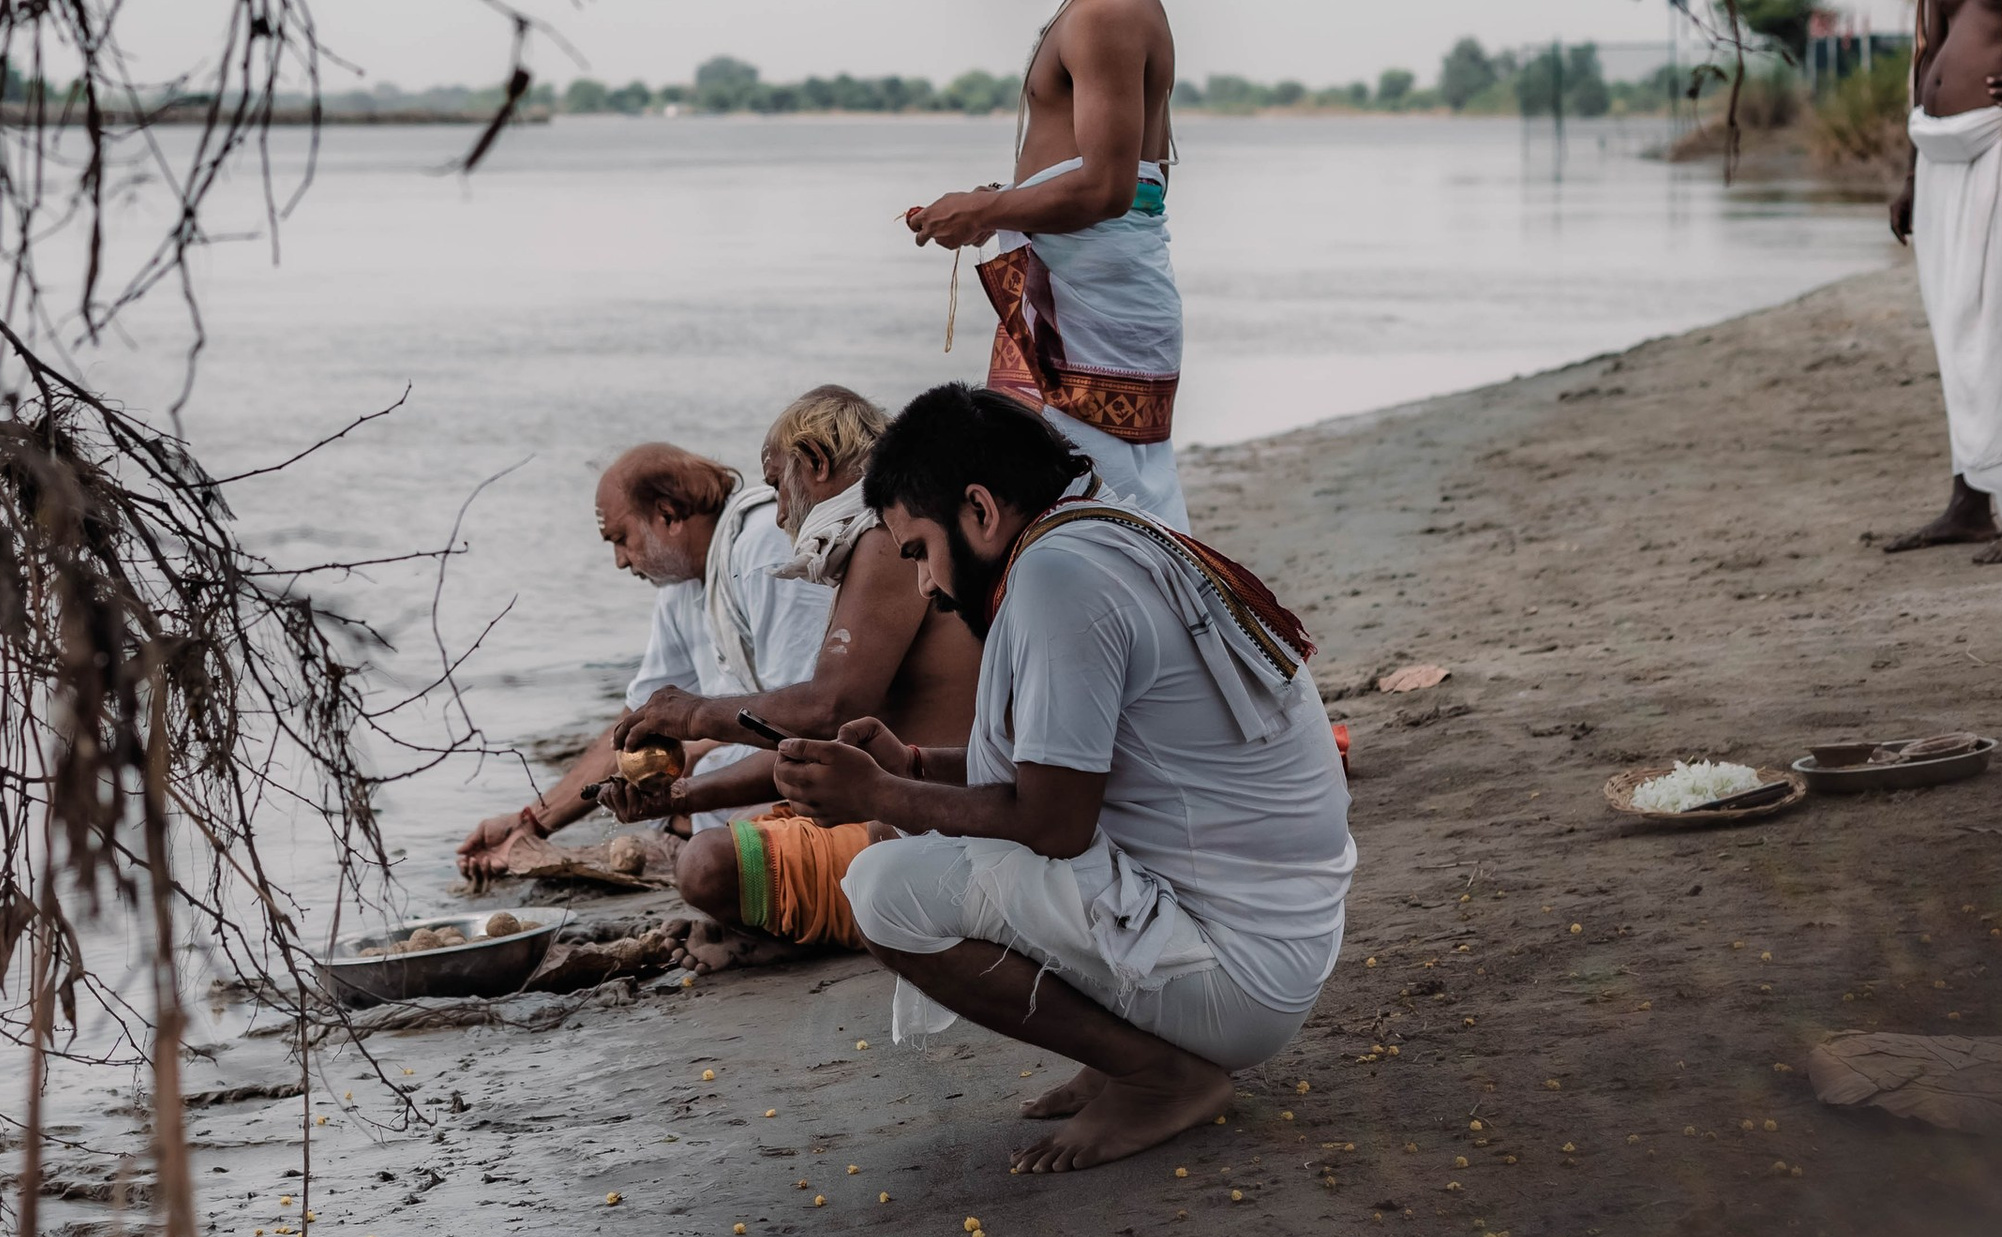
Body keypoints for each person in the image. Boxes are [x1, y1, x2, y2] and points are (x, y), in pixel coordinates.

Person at [768, 384, 1353, 1173]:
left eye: (919, 552)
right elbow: (1078, 771)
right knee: (926, 852)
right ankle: (1127, 1056)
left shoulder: (1057, 577)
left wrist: (876, 795)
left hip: (1243, 977)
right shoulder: (1103, 528)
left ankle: (1157, 1076)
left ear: (980, 511)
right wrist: (911, 767)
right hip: (1281, 941)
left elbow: (1053, 822)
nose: (926, 586)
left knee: (883, 891)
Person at [619, 385, 983, 952]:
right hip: (918, 806)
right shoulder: (874, 541)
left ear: (815, 461)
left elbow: (828, 708)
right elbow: (821, 737)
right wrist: (680, 797)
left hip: (949, 820)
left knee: (708, 863)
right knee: (730, 836)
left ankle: (839, 931)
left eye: (776, 486)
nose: (779, 514)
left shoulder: (887, 537)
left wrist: (695, 715)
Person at [901, 0, 1186, 523]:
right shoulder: (1100, 0)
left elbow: (1109, 188)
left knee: (1102, 510)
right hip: (1089, 294)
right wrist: (993, 204)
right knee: (1062, 502)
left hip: (1099, 305)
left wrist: (989, 209)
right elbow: (1089, 172)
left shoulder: (1107, 10)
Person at [456, 440, 832, 879]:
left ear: (668, 514)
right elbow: (635, 723)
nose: (619, 561)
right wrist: (531, 823)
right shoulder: (680, 586)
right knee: (664, 768)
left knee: (700, 773)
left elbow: (809, 717)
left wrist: (700, 746)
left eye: (621, 539)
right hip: (752, 784)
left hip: (824, 769)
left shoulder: (761, 548)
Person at [1887, 0, 2002, 559]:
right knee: (1955, 325)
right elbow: (1925, 57)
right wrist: (1908, 174)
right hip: (1939, 154)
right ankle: (1970, 502)